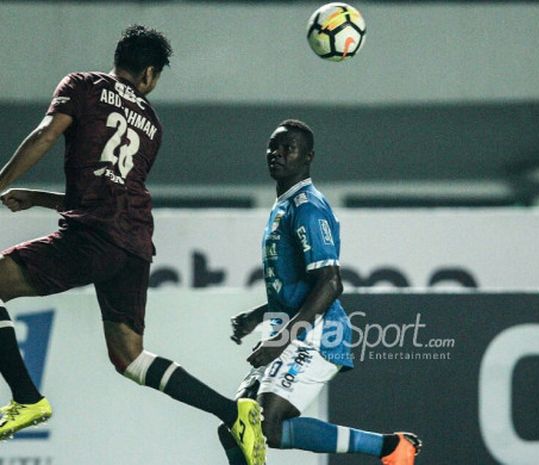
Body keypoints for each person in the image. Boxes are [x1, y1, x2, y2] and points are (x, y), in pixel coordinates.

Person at [0, 25, 265, 465]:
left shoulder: (82, 86)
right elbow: (111, 191)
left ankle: (27, 398)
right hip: (134, 245)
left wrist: (4, 181)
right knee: (129, 357)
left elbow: (47, 135)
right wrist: (38, 199)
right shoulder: (153, 125)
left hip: (93, 237)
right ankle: (232, 412)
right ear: (147, 75)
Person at [218, 119, 422, 465]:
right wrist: (258, 315)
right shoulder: (284, 205)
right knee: (235, 426)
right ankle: (390, 447)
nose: (277, 154)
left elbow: (330, 283)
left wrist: (283, 338)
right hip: (293, 327)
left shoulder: (308, 208)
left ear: (308, 157)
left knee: (266, 426)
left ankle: (390, 448)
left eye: (288, 148)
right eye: (273, 146)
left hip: (317, 333)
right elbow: (298, 287)